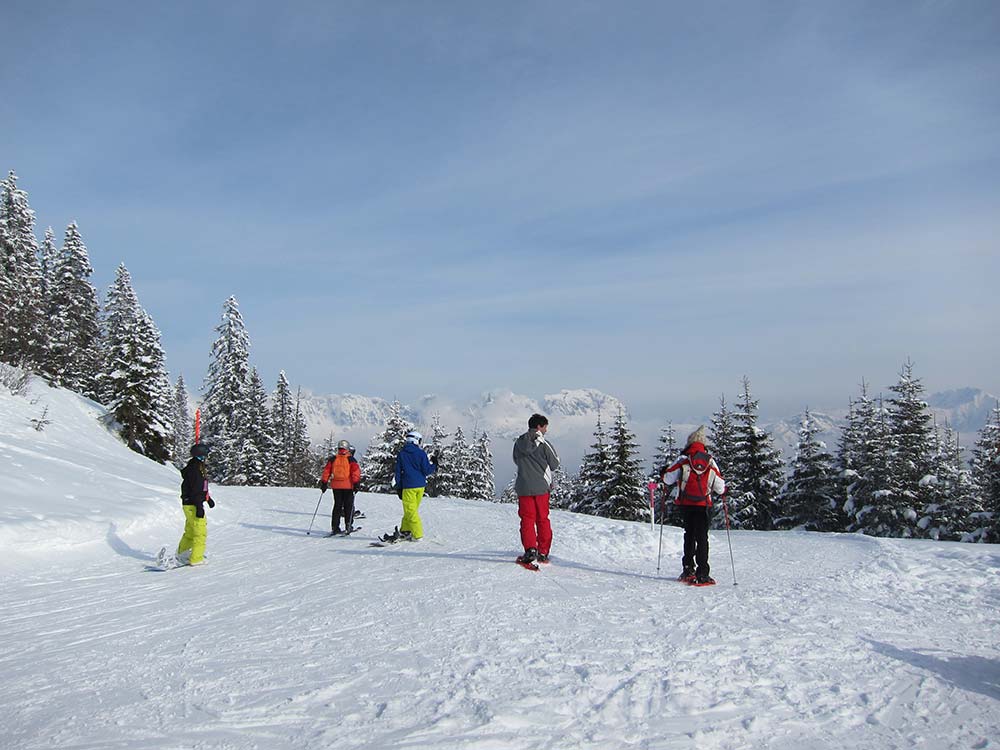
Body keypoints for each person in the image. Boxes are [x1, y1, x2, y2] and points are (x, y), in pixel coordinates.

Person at [660, 426, 726, 585]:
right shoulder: (710, 461)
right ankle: (703, 572)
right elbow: (720, 488)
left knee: (689, 535)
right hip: (703, 504)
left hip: (686, 503)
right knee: (702, 538)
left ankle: (688, 569)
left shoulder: (683, 459)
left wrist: (663, 472)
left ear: (689, 443)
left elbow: (667, 480)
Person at [512, 413, 560, 565]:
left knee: (527, 519)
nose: (546, 430)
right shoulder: (544, 443)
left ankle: (530, 549)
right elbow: (554, 464)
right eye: (545, 427)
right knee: (542, 519)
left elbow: (516, 460)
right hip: (541, 488)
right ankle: (543, 552)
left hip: (524, 487)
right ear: (539, 426)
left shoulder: (519, 442)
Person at [383, 431, 437, 542]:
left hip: (408, 486)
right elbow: (426, 471)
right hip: (420, 486)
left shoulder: (402, 454)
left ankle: (418, 535)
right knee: (411, 510)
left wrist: (398, 486)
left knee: (411, 511)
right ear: (416, 440)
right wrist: (434, 465)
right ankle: (405, 531)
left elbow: (398, 472)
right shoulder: (421, 453)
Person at [178, 443, 215, 565]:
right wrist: (199, 506)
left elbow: (200, 487)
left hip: (189, 504)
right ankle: (196, 559)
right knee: (200, 533)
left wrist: (208, 498)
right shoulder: (196, 469)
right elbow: (196, 489)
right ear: (201, 455)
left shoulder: (196, 467)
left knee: (190, 532)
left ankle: (182, 554)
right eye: (206, 455)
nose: (207, 457)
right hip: (193, 504)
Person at [320, 440, 362, 535]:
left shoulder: (333, 459)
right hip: (348, 485)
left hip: (336, 486)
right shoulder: (351, 459)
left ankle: (335, 527)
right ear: (347, 449)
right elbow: (355, 472)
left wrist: (324, 482)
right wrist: (356, 483)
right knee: (348, 506)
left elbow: (327, 471)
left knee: (337, 506)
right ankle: (348, 525)